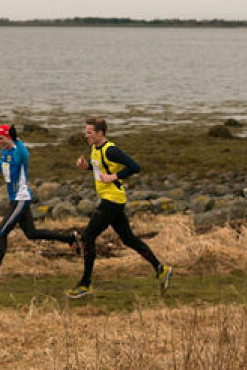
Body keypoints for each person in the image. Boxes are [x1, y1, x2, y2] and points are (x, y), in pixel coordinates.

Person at [66, 117, 172, 299]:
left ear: (100, 133)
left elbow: (134, 167)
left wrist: (114, 176)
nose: (86, 135)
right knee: (128, 239)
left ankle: (85, 284)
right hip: (112, 199)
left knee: (88, 237)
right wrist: (87, 167)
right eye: (85, 132)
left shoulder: (111, 150)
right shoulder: (95, 149)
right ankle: (161, 269)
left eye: (89, 132)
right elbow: (101, 168)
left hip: (112, 201)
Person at [0, 123, 80, 284]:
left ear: (9, 137)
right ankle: (69, 238)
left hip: (21, 198)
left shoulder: (19, 152)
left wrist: (17, 138)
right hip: (14, 198)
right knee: (32, 233)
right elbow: (2, 164)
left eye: (1, 138)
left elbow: (25, 154)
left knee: (1, 233)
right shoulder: (6, 151)